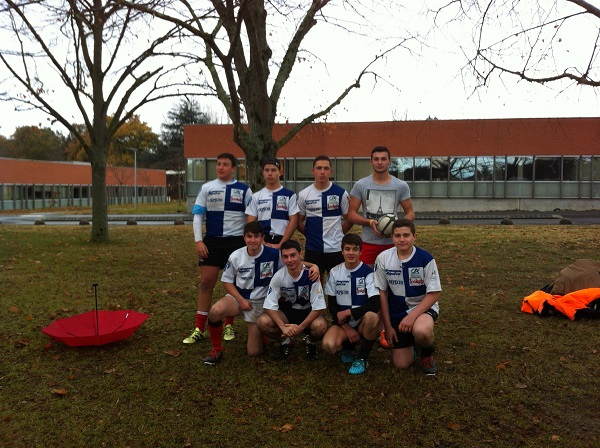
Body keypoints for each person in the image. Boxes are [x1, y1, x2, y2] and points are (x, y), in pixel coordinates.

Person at [183, 153, 252, 345]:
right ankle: (199, 328)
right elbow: (197, 215)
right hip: (212, 241)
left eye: (225, 165)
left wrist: (247, 242)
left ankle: (228, 324)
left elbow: (251, 217)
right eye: (218, 164)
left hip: (236, 243)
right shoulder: (207, 188)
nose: (221, 167)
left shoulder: (244, 190)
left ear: (233, 168)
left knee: (234, 284)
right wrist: (198, 241)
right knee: (206, 282)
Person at [201, 221, 283, 365]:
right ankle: (216, 350)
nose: (253, 240)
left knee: (254, 352)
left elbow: (293, 265)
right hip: (239, 298)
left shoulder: (275, 255)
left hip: (260, 303)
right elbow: (226, 280)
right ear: (244, 237)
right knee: (215, 311)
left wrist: (312, 266)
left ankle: (260, 333)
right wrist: (240, 300)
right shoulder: (236, 256)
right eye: (249, 236)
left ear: (262, 237)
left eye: (256, 236)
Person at [374, 218, 442, 376]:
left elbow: (434, 293)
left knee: (422, 331)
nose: (402, 239)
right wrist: (388, 325)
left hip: (421, 309)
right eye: (397, 235)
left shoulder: (426, 259)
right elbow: (382, 293)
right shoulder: (383, 258)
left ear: (414, 236)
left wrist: (412, 317)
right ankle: (415, 343)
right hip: (397, 313)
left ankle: (427, 353)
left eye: (406, 235)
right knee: (401, 364)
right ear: (392, 237)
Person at [257, 240, 327, 361]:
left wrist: (300, 327)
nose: (289, 260)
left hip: (307, 312)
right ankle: (286, 341)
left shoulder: (312, 274)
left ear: (301, 254)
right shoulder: (279, 276)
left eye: (293, 255)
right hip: (287, 313)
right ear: (282, 258)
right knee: (263, 322)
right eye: (285, 256)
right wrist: (283, 328)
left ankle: (309, 341)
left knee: (320, 326)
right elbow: (269, 305)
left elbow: (319, 307)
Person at [322, 234, 380, 375]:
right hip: (343, 324)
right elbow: (333, 306)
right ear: (342, 251)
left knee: (372, 317)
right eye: (347, 249)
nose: (351, 253)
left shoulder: (368, 273)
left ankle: (362, 358)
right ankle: (348, 347)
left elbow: (374, 304)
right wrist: (347, 328)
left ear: (361, 252)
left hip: (361, 322)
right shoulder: (335, 272)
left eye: (355, 249)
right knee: (329, 346)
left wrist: (350, 313)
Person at [348, 146, 415, 268]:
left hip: (392, 243)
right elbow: (351, 214)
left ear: (390, 161)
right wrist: (369, 222)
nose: (380, 162)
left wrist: (397, 227)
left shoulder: (401, 186)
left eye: (383, 159)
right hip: (368, 243)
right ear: (371, 161)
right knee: (367, 281)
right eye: (376, 159)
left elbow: (410, 213)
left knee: (393, 280)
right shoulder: (361, 185)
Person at [297, 155, 352, 276]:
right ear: (313, 171)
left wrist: (339, 233)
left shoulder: (341, 193)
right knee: (314, 284)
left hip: (336, 248)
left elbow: (349, 219)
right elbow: (298, 221)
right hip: (313, 248)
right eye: (319, 168)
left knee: (338, 283)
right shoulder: (303, 194)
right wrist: (310, 234)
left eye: (326, 168)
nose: (322, 172)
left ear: (330, 171)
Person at [246, 157, 299, 249]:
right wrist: (261, 242)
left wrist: (281, 245)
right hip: (261, 240)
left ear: (280, 172)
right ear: (263, 173)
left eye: (273, 170)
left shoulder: (290, 195)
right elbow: (250, 223)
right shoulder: (256, 196)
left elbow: (293, 221)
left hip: (282, 240)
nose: (270, 173)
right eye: (267, 170)